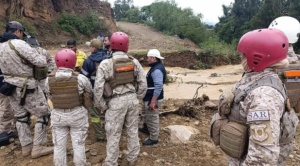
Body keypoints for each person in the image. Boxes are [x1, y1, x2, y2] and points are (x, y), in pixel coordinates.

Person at [210, 28, 299, 165]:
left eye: (244, 55)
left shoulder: (263, 96)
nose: (241, 58)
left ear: (257, 57)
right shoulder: (255, 79)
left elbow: (262, 157)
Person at [0, 21, 53, 158]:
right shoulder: (19, 44)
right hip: (27, 86)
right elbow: (40, 62)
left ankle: (26, 147)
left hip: (9, 87)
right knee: (44, 114)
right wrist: (42, 57)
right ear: (17, 31)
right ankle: (38, 148)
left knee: (21, 117)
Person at [94, 31, 147, 166]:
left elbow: (98, 89)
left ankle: (111, 162)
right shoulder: (134, 62)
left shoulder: (105, 64)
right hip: (132, 99)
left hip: (115, 101)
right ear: (127, 46)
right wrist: (137, 97)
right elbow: (143, 84)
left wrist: (102, 106)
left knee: (113, 133)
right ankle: (132, 159)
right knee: (132, 130)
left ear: (111, 45)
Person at [45, 49, 92, 166]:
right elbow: (89, 92)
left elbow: (49, 95)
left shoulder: (48, 80)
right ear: (73, 61)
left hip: (58, 115)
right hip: (78, 114)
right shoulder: (81, 79)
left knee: (59, 146)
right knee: (79, 144)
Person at [80, 38, 107, 141]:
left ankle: (100, 135)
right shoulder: (109, 57)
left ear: (94, 48)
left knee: (95, 114)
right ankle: (109, 130)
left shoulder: (89, 60)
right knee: (108, 111)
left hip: (94, 91)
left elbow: (83, 78)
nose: (89, 49)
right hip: (108, 91)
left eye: (90, 47)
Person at [139, 49, 166, 146]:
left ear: (153, 58)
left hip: (152, 98)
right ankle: (146, 128)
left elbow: (158, 86)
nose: (147, 59)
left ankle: (153, 138)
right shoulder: (155, 67)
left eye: (148, 57)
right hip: (149, 97)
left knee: (152, 117)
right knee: (146, 114)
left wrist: (153, 101)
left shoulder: (157, 70)